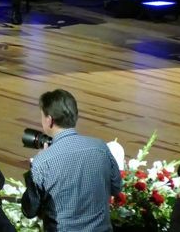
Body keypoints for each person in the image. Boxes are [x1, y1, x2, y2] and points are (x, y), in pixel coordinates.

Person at [23, 89, 121, 231]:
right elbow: (116, 188)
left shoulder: (42, 162)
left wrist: (36, 164)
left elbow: (29, 210)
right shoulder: (101, 148)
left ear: (49, 120)